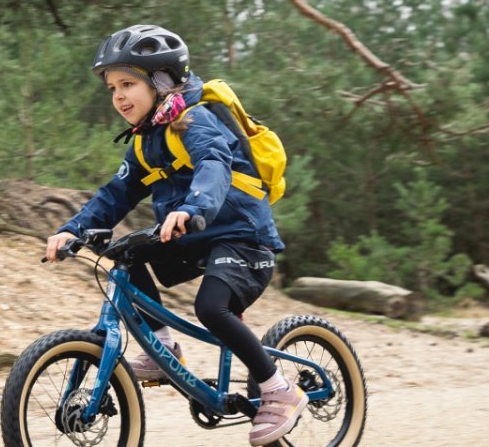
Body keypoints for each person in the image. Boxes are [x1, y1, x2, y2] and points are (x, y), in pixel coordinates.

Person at [43, 25, 301, 446]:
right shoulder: (145, 142)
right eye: (112, 88)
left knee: (211, 308)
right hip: (193, 238)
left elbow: (213, 164)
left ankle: (278, 389)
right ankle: (164, 350)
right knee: (123, 254)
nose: (119, 96)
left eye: (128, 84)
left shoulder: (193, 121)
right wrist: (72, 229)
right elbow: (117, 193)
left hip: (242, 237)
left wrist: (191, 207)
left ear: (162, 81)